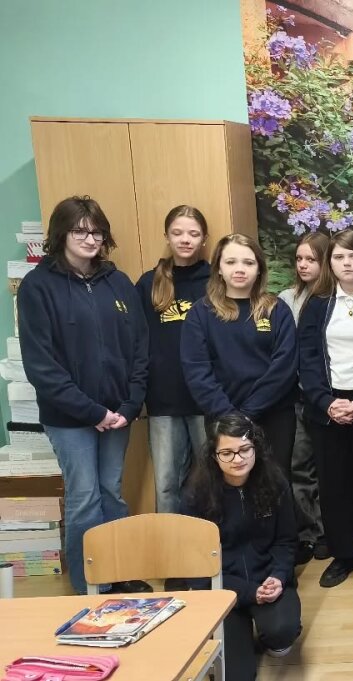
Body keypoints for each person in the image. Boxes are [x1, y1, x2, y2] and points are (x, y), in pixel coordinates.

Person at [18, 196, 150, 595]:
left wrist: (129, 405)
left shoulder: (118, 282)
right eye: (80, 231)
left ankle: (121, 573)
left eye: (97, 232)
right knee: (85, 497)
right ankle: (90, 585)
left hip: (119, 414)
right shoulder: (37, 287)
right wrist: (93, 412)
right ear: (61, 234)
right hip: (69, 418)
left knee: (112, 493)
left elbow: (140, 348)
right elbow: (41, 367)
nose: (90, 239)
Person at [297, 230, 353, 589]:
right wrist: (327, 402)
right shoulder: (317, 304)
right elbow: (306, 359)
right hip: (328, 406)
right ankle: (344, 555)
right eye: (338, 257)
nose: (346, 263)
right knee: (334, 484)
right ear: (329, 263)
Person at [181, 413, 301, 681]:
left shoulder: (275, 482)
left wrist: (279, 576)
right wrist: (247, 592)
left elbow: (286, 541)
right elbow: (196, 567)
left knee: (282, 633)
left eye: (245, 449)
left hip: (267, 580)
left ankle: (266, 634)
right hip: (223, 588)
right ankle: (239, 634)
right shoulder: (195, 495)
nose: (238, 459)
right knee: (236, 676)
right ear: (214, 455)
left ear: (256, 448)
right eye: (227, 453)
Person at [181, 234, 299, 477]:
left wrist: (248, 413)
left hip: (274, 416)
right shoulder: (200, 313)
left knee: (275, 484)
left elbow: (284, 367)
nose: (240, 269)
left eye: (248, 262)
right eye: (231, 262)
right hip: (221, 417)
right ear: (219, 268)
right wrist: (229, 417)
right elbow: (197, 370)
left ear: (259, 269)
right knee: (227, 486)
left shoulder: (277, 310)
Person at [135, 205, 209, 518]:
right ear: (167, 236)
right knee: (166, 484)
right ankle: (168, 546)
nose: (185, 239)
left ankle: (212, 544)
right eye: (177, 233)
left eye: (193, 233)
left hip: (206, 399)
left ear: (204, 238)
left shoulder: (215, 281)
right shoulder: (149, 282)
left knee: (210, 481)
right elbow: (136, 340)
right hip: (163, 400)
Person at [278, 231, 330, 566]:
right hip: (296, 396)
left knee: (329, 467)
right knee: (300, 467)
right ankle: (310, 532)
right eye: (299, 259)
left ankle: (332, 530)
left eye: (311, 259)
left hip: (330, 397)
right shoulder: (287, 298)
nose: (303, 265)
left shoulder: (335, 297)